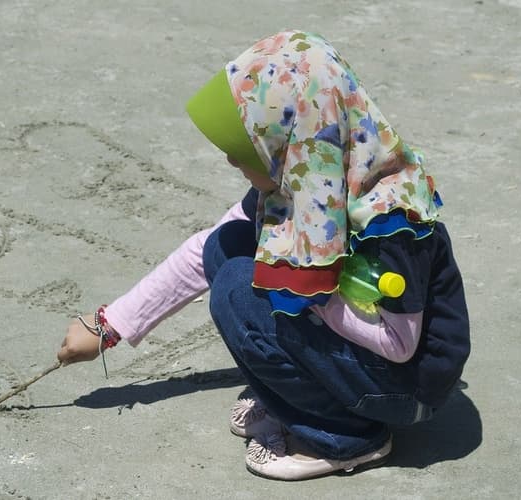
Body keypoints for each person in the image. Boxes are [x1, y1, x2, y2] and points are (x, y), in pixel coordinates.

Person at [57, 30, 470, 480]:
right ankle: (306, 393)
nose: (233, 162)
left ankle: (346, 434)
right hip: (361, 355)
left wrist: (313, 298)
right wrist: (111, 325)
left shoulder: (390, 223)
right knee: (227, 247)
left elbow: (400, 344)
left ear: (292, 138)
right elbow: (205, 248)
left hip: (405, 387)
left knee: (238, 292)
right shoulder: (307, 176)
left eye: (243, 151)